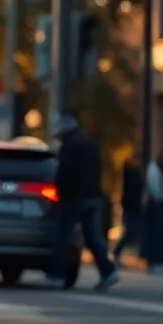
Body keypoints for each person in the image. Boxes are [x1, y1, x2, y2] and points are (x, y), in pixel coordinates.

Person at [45, 113, 118, 290]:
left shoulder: (69, 146)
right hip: (94, 196)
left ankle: (56, 275)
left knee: (62, 235)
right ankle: (108, 272)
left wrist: (59, 193)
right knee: (94, 237)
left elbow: (64, 173)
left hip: (74, 197)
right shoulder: (90, 144)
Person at [142, 149, 163, 273]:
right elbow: (155, 188)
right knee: (157, 234)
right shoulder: (155, 169)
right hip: (158, 204)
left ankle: (161, 261)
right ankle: (155, 262)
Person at [111, 155, 143, 266]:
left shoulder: (133, 173)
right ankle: (116, 252)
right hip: (131, 206)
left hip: (132, 206)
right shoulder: (131, 173)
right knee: (129, 232)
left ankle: (117, 252)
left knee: (131, 232)